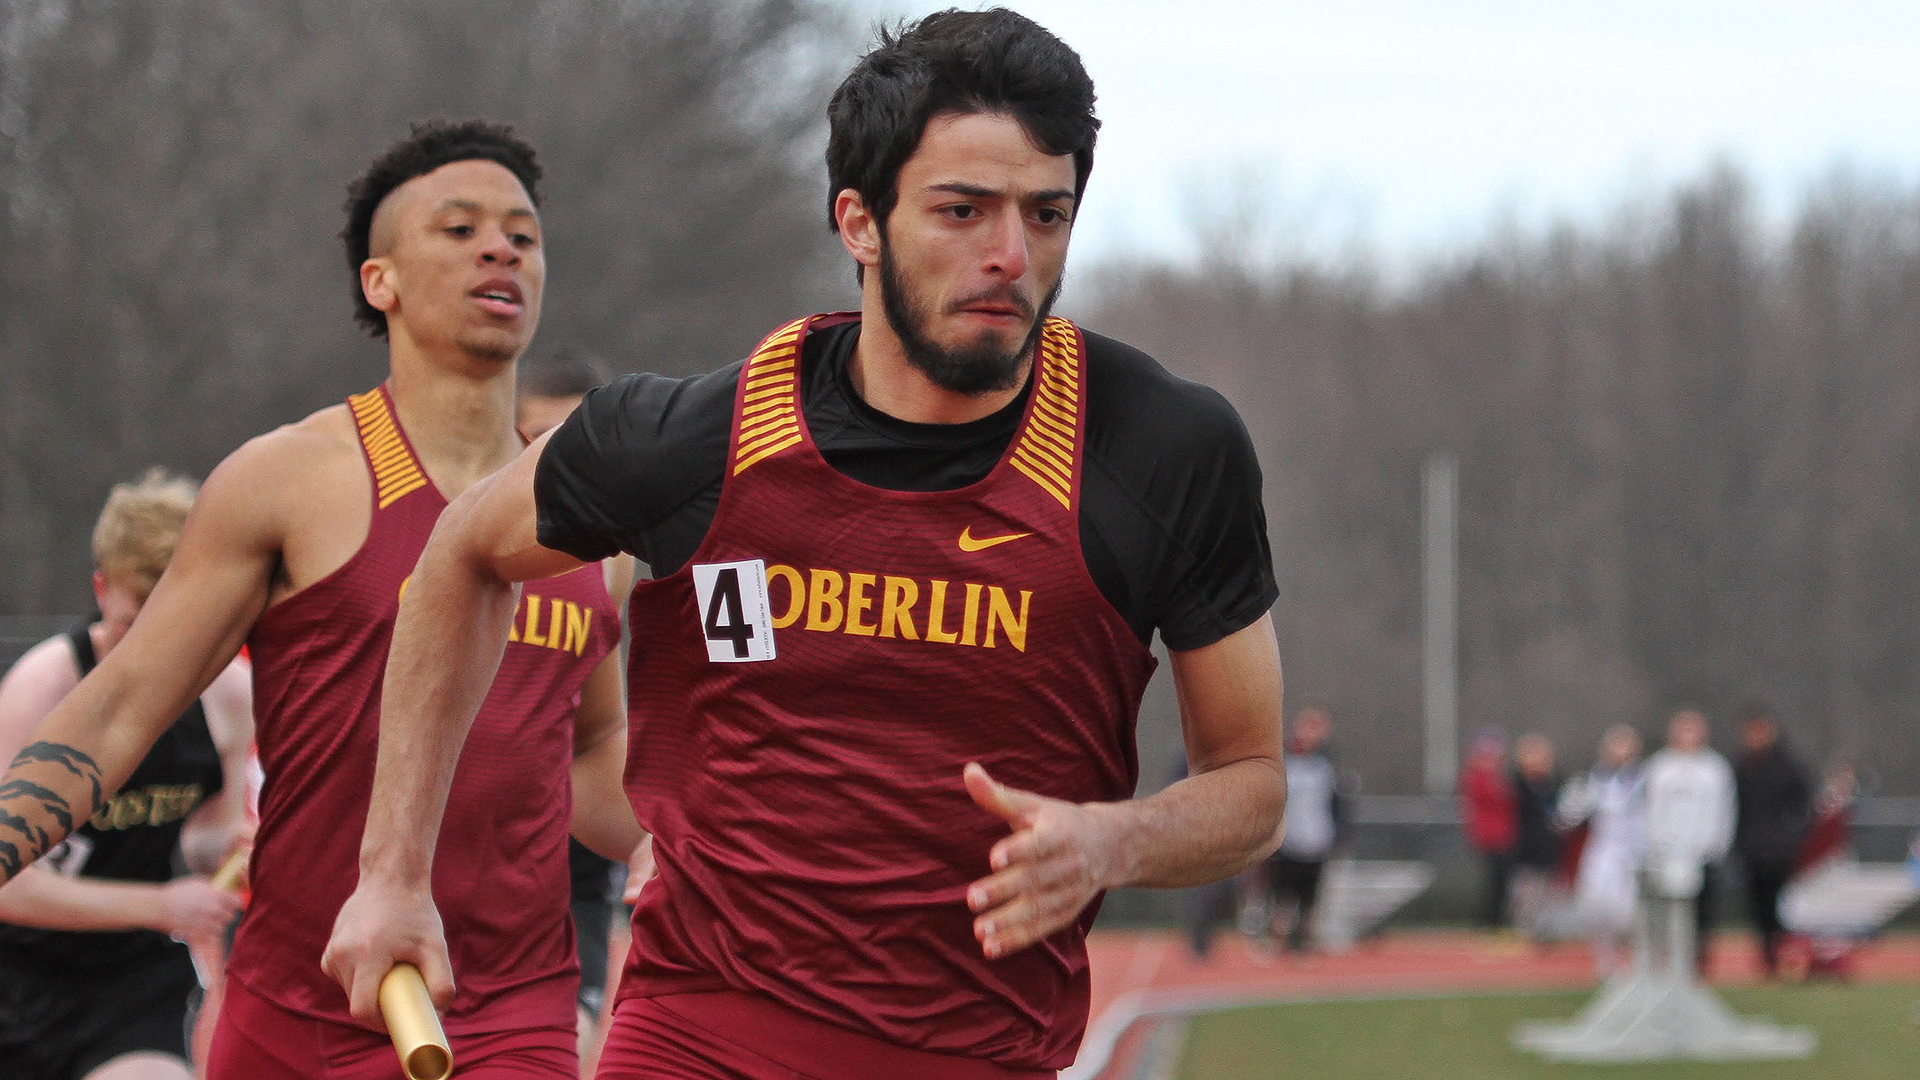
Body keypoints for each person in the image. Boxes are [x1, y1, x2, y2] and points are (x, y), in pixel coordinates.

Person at [325, 10, 1286, 1079]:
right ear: (858, 222)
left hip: (981, 1054)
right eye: (961, 211)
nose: (1011, 256)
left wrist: (1118, 840)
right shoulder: (696, 439)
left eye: (1046, 213)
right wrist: (391, 876)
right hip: (696, 1034)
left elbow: (1249, 779)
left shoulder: (1161, 448)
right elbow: (460, 557)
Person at [0, 120, 644, 1080]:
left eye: (522, 233)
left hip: (506, 1012)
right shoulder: (285, 481)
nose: (501, 247)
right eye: (459, 228)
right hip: (294, 1008)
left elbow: (593, 747)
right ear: (379, 281)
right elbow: (127, 701)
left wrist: (712, 850)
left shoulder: (594, 514)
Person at [0, 470, 253, 1080]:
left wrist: (243, 849)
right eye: (132, 625)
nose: (153, 654)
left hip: (127, 982)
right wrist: (161, 904)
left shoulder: (228, 694)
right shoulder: (42, 687)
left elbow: (202, 842)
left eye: (174, 627)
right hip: (15, 970)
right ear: (101, 587)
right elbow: (6, 885)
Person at [516, 346, 635, 1068]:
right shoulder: (457, 543)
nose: (556, 465)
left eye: (577, 442)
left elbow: (602, 728)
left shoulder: (618, 552)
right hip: (455, 860)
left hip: (569, 866)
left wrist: (663, 841)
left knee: (573, 1057)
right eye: (537, 442)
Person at [1643, 708, 1735, 976]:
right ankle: (1664, 960)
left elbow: (1724, 809)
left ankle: (1697, 962)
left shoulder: (1715, 769)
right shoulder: (1660, 767)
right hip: (1665, 852)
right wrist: (1655, 844)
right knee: (1664, 909)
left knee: (1700, 913)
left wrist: (1716, 845)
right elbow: (1651, 809)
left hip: (1703, 853)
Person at [1731, 703, 1810, 978]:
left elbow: (1804, 805)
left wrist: (1790, 837)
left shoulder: (1788, 766)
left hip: (1781, 852)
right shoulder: (1739, 767)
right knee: (1757, 908)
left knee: (1783, 907)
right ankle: (1767, 960)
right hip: (1751, 851)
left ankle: (1786, 958)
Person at [1562, 724, 1646, 977]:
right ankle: (1606, 960)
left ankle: (1639, 961)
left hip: (1635, 852)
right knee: (1597, 906)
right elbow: (1567, 816)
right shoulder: (1593, 780)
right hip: (1603, 851)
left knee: (1629, 913)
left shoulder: (1644, 779)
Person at [1265, 706, 1341, 953]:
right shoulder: (1284, 762)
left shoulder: (1325, 766)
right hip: (1289, 841)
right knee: (1284, 896)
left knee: (1310, 897)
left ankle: (1307, 942)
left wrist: (1338, 834)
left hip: (1317, 840)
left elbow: (1336, 803)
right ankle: (1279, 941)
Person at [1508, 732, 1566, 940]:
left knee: (1550, 896)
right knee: (1526, 896)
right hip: (1526, 850)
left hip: (1551, 850)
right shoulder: (1516, 785)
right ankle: (1524, 933)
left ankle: (1548, 934)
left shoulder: (1555, 783)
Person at [1459, 728, 1518, 929]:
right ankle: (1488, 924)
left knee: (1503, 883)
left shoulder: (1499, 776)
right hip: (1489, 837)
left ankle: (1499, 923)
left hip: (1504, 836)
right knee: (1493, 882)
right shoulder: (1477, 777)